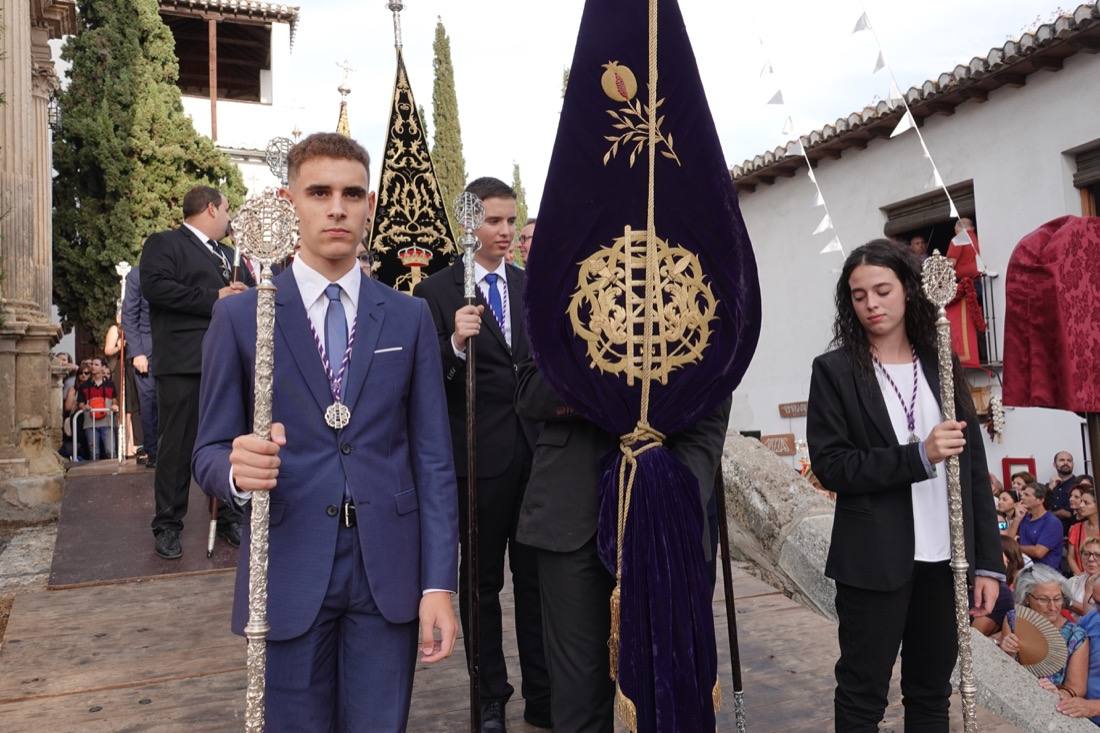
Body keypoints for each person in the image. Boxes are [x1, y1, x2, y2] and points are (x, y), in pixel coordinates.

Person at [192, 132, 459, 730]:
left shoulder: (410, 315)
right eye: (320, 192)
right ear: (292, 203)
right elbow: (206, 449)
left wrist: (439, 582)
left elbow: (434, 459)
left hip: (387, 572)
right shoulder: (242, 317)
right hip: (288, 567)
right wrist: (236, 470)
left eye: (352, 193)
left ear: (369, 205)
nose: (337, 207)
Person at [806, 240, 1003, 732]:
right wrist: (918, 456)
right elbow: (833, 466)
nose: (871, 303)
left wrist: (988, 565)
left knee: (931, 693)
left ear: (907, 292)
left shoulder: (941, 360)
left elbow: (974, 467)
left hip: (947, 558)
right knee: (862, 694)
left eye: (881, 290)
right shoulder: (834, 371)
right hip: (874, 561)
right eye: (858, 295)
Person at [513, 356, 730, 733]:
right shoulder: (562, 294)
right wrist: (609, 377)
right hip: (570, 516)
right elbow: (531, 393)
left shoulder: (695, 297)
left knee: (671, 698)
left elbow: (716, 386)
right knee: (578, 704)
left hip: (667, 517)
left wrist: (676, 497)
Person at [413, 177, 550, 731]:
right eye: (495, 221)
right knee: (482, 584)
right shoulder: (439, 293)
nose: (506, 232)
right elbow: (427, 383)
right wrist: (454, 345)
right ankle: (490, 693)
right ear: (469, 223)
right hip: (477, 458)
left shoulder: (531, 285)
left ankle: (544, 693)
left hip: (536, 457)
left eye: (512, 221)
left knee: (539, 579)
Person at [140, 185, 255, 560]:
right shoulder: (165, 243)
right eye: (226, 210)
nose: (229, 217)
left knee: (229, 442)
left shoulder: (228, 254)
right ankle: (168, 524)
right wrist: (215, 298)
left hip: (226, 362)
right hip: (185, 362)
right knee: (178, 445)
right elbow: (157, 289)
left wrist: (244, 294)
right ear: (209, 209)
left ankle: (228, 517)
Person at [999, 564, 1088, 700]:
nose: (1052, 607)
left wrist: (1058, 693)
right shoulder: (1013, 619)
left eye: (1057, 599)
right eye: (1043, 599)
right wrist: (1006, 652)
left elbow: (1076, 689)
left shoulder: (1076, 636)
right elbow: (1004, 670)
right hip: (1012, 695)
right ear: (1027, 598)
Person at [121, 264, 158, 469]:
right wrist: (137, 353)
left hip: (170, 350)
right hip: (145, 352)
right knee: (149, 402)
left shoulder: (170, 271)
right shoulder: (136, 275)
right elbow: (129, 315)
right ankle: (153, 452)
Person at [76, 356, 117, 460]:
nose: (93, 367)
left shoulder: (110, 384)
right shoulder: (84, 386)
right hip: (90, 422)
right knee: (94, 453)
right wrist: (84, 406)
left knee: (110, 451)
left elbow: (114, 399)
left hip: (107, 422)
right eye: (92, 364)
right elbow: (80, 403)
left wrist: (114, 405)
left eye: (96, 364)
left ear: (103, 367)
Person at [1018, 482, 1066, 571]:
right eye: (1022, 494)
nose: (1022, 497)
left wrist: (1016, 548)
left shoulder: (1052, 522)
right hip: (1025, 571)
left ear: (1040, 500)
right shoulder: (1023, 518)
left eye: (1026, 495)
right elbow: (1008, 541)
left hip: (1045, 575)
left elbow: (1039, 552)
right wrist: (1017, 518)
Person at [1068, 536, 1100, 617]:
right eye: (1086, 554)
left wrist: (1070, 603)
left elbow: (1094, 616)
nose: (1091, 559)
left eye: (1097, 555)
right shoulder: (1073, 582)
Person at [1070, 492, 1100, 577]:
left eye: (1086, 503)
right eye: (1081, 501)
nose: (1081, 505)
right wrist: (1081, 578)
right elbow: (1070, 557)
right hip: (1082, 579)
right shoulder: (1076, 528)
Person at [1047, 451, 1078, 527]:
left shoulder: (1079, 484)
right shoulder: (1048, 486)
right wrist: (1050, 489)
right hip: (1050, 531)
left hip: (1071, 532)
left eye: (1069, 460)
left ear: (1073, 464)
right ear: (1054, 465)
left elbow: (1069, 514)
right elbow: (1040, 508)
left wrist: (1048, 514)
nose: (1066, 463)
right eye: (1062, 460)